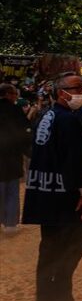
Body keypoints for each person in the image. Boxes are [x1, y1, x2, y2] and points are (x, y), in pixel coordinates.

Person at [21, 73, 82, 301]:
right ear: (62, 92)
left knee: (49, 251)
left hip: (44, 192)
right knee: (69, 250)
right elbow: (74, 159)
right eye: (76, 88)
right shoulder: (68, 120)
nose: (81, 92)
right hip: (65, 197)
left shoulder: (46, 116)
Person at [0, 83, 33, 234]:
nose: (15, 97)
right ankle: (11, 225)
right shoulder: (14, 110)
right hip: (12, 156)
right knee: (12, 190)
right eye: (13, 94)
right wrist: (28, 151)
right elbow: (24, 132)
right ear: (7, 94)